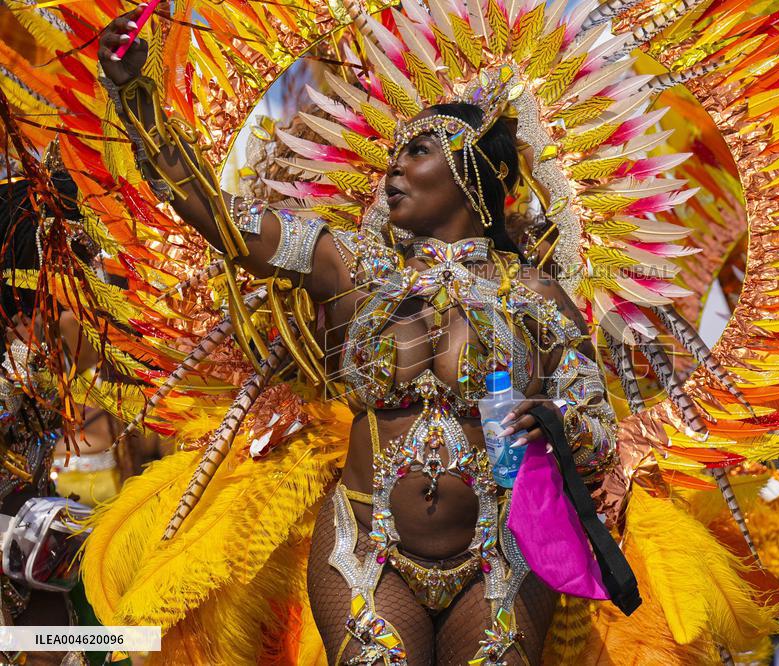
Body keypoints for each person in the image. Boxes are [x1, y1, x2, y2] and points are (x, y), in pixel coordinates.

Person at [97, 10, 618, 665]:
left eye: (416, 151)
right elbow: (212, 211)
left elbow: (596, 428)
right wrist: (136, 99)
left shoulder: (537, 295)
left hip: (502, 552)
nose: (393, 168)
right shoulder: (346, 265)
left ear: (472, 177)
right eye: (393, 153)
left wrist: (553, 422)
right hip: (366, 547)